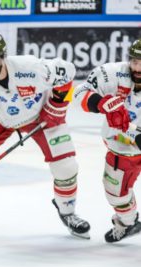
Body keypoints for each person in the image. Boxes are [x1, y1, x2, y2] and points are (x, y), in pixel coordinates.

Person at [0, 33, 90, 238]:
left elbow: (67, 71)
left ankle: (68, 212)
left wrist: (56, 105)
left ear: (3, 58)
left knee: (66, 165)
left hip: (42, 118)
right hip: (3, 120)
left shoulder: (30, 68)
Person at [73, 38, 141, 242]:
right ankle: (129, 222)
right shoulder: (111, 73)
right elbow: (79, 94)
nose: (137, 67)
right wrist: (102, 103)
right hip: (122, 147)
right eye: (135, 61)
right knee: (115, 192)